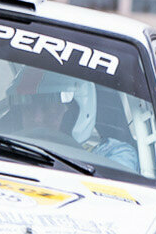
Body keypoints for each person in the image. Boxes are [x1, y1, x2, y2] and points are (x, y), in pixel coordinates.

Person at [8, 67, 140, 173]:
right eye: (28, 109)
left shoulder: (113, 155)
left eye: (49, 109)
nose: (37, 119)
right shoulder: (0, 149)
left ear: (74, 113)